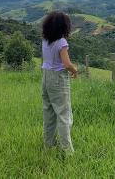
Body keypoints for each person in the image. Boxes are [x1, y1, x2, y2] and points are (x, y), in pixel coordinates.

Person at [41, 11, 77, 153]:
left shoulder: (45, 40)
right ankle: (67, 150)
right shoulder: (62, 42)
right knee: (63, 114)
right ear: (63, 27)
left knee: (48, 112)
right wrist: (75, 70)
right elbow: (67, 64)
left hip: (45, 77)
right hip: (58, 79)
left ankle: (48, 145)